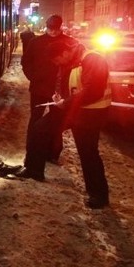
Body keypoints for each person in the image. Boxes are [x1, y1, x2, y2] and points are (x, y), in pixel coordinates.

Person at [52, 42, 112, 209]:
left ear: (66, 51)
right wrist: (62, 96)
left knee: (89, 154)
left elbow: (92, 90)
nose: (59, 62)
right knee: (86, 153)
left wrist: (67, 102)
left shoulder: (92, 59)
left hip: (92, 114)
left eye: (59, 58)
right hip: (83, 113)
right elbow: (75, 85)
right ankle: (94, 191)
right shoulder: (78, 60)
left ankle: (99, 195)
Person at [20, 14, 78, 164]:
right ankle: (32, 149)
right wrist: (32, 77)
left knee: (57, 122)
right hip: (39, 88)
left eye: (56, 29)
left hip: (60, 90)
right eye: (50, 28)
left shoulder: (69, 42)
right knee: (35, 119)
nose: (52, 32)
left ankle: (52, 153)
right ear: (46, 26)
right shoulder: (36, 42)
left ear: (60, 27)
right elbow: (26, 61)